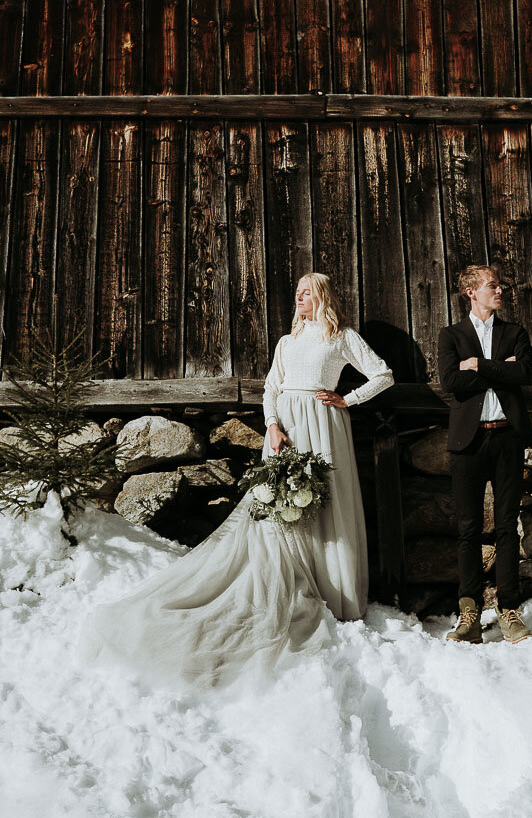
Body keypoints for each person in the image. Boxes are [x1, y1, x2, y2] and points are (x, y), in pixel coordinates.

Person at [79, 273, 394, 690]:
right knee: (277, 504)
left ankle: (329, 585)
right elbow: (271, 388)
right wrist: (272, 426)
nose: (298, 298)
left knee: (324, 500)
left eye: (305, 292)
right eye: (296, 292)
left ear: (321, 297)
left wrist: (346, 399)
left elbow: (382, 375)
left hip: (324, 425)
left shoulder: (341, 337)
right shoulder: (287, 342)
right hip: (287, 429)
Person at [437, 264, 532, 645]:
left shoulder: (514, 333)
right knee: (468, 528)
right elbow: (450, 382)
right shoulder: (452, 335)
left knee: (508, 524)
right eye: (493, 285)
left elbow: (523, 373)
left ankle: (509, 609)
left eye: (499, 284)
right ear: (471, 292)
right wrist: (498, 369)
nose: (500, 290)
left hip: (508, 438)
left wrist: (478, 365)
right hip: (469, 442)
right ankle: (470, 612)